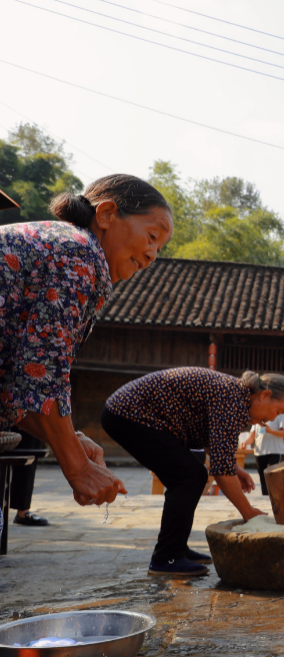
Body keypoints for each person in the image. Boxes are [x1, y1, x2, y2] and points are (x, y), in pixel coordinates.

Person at [1, 174, 172, 509]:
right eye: (152, 237)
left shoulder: (68, 248)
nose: (152, 255)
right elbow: (42, 374)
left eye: (159, 248)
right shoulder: (78, 253)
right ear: (106, 214)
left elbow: (15, 386)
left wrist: (72, 441)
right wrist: (77, 465)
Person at [102, 369, 284, 577]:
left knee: (193, 468)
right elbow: (221, 471)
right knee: (189, 476)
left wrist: (235, 468)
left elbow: (214, 445)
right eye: (277, 411)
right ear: (264, 396)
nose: (271, 419)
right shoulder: (234, 399)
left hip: (129, 412)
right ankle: (166, 558)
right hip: (129, 413)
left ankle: (176, 548)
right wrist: (248, 512)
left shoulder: (236, 397)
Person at [242, 412, 284, 496]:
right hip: (259, 452)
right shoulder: (258, 416)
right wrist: (245, 442)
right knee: (263, 478)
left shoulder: (280, 414)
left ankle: (275, 497)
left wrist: (270, 431)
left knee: (272, 476)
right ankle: (265, 498)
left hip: (275, 451)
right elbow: (252, 435)